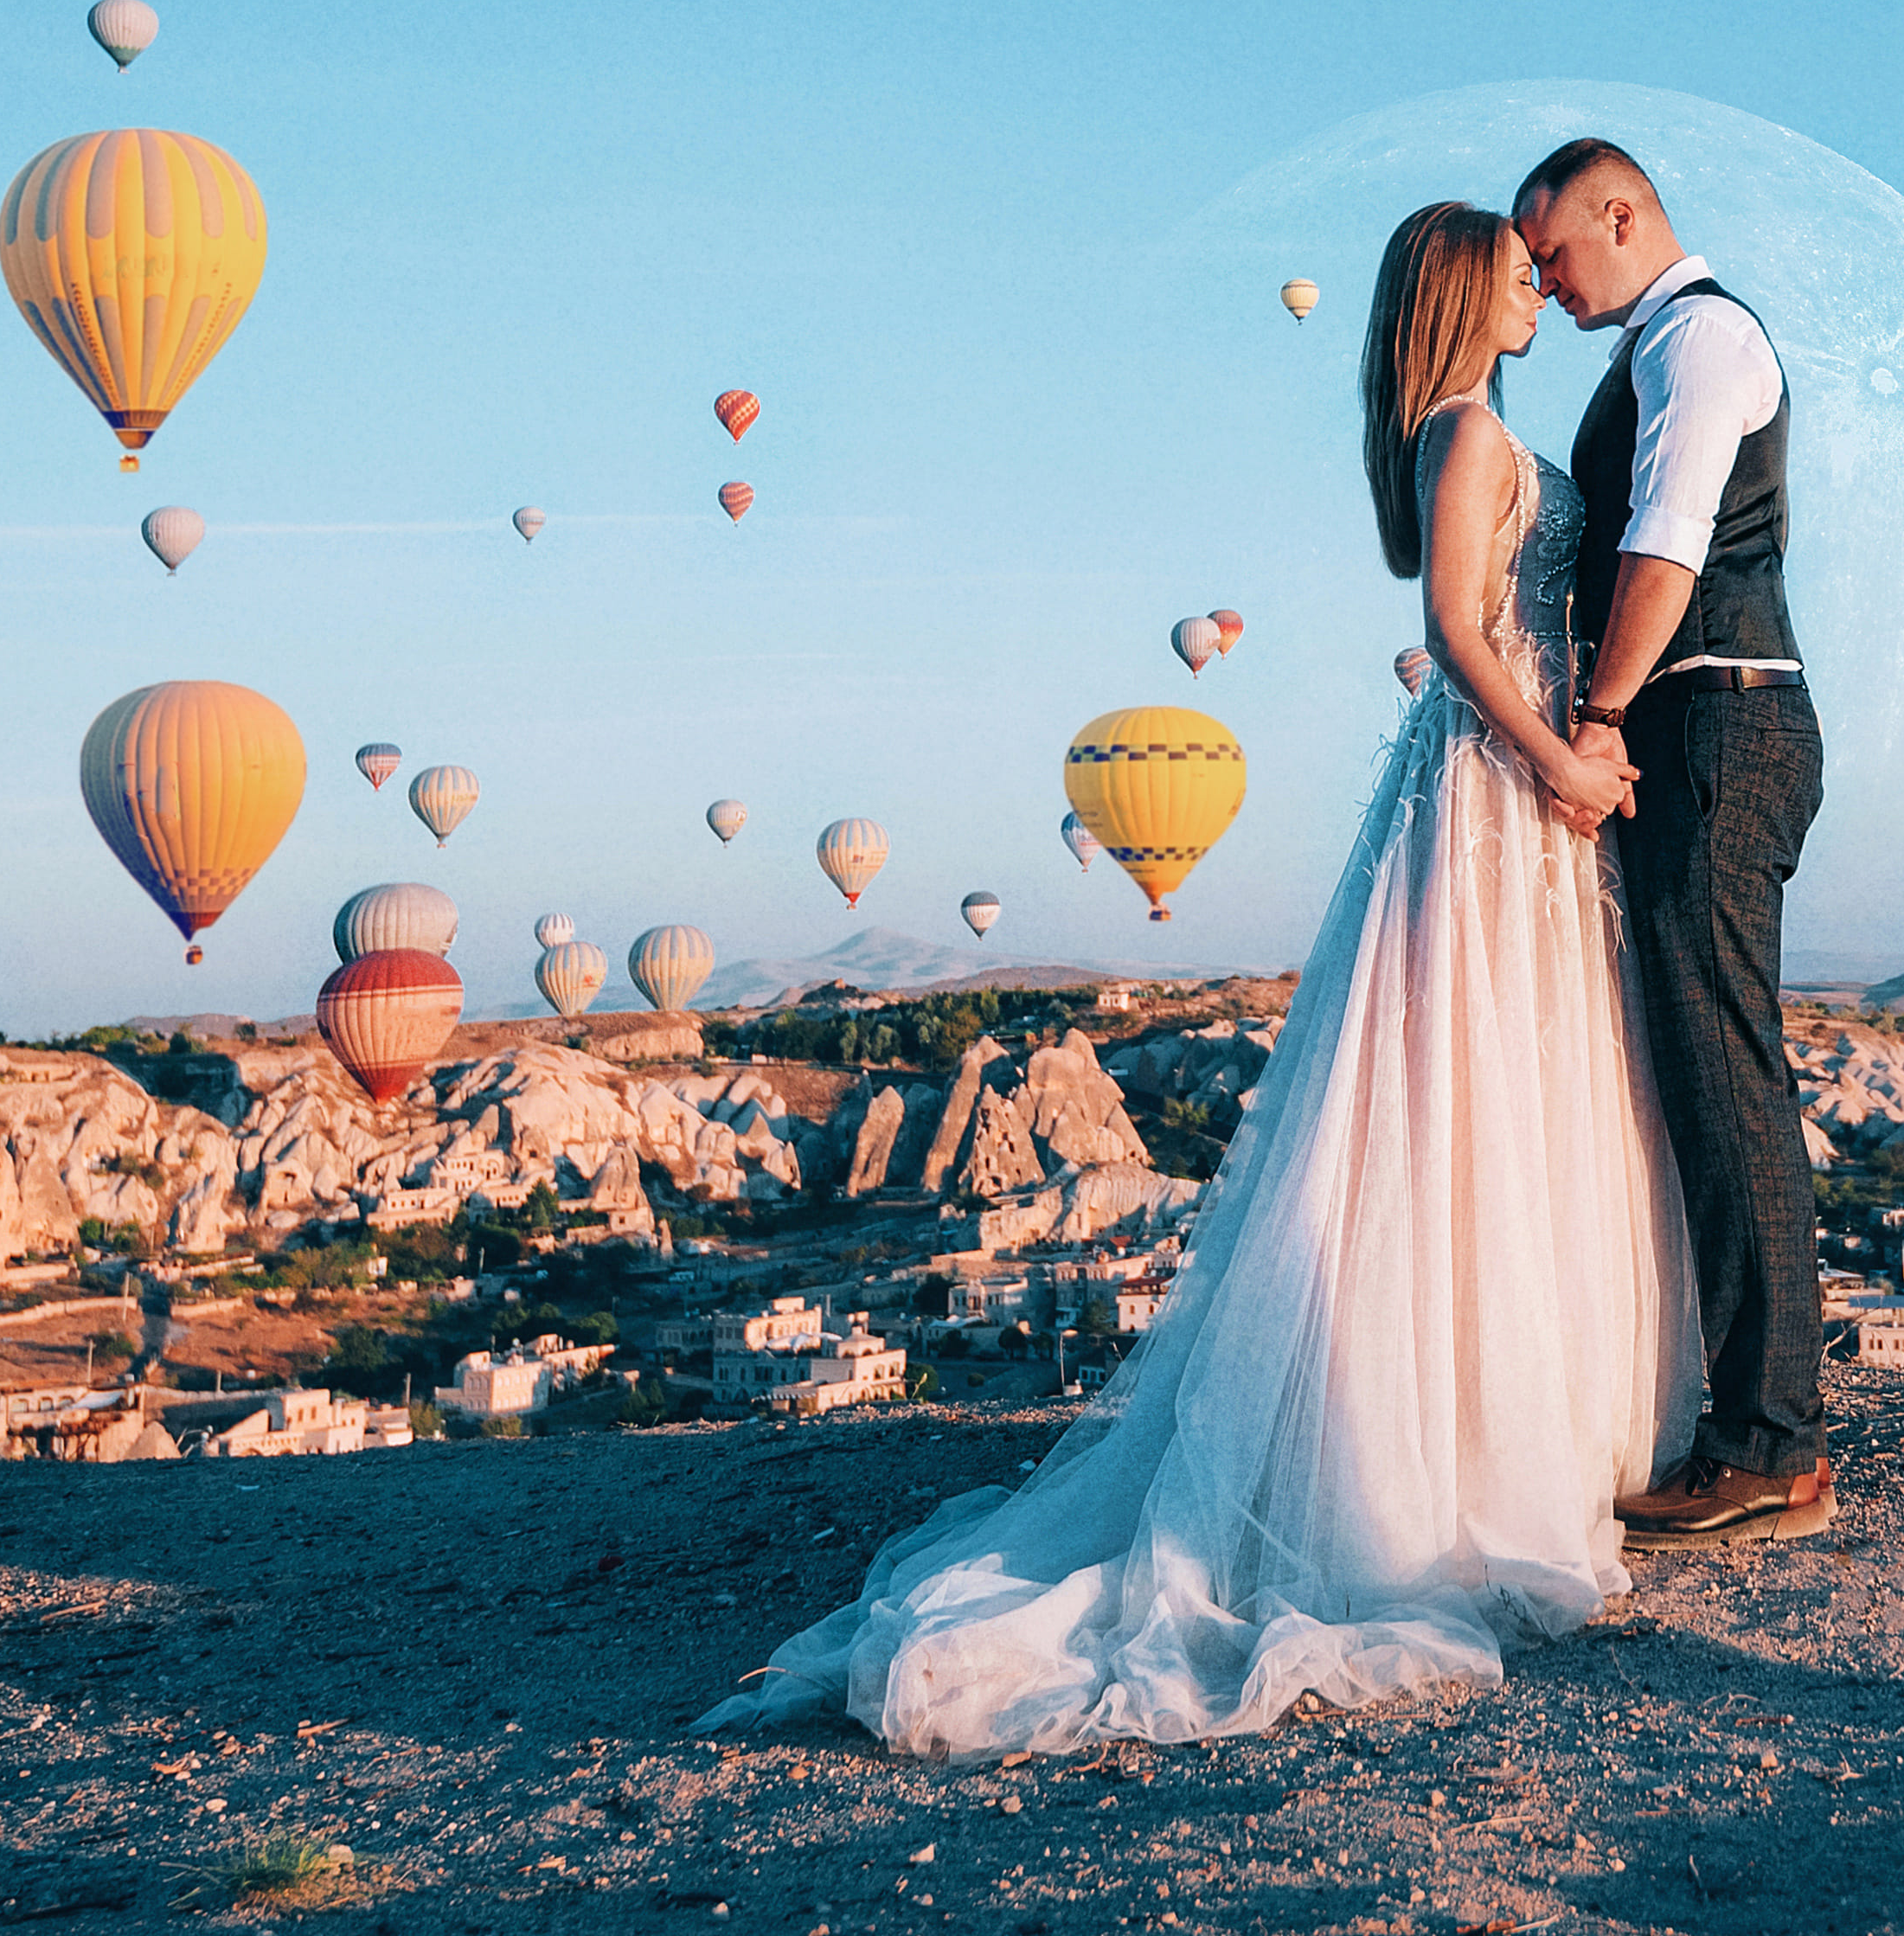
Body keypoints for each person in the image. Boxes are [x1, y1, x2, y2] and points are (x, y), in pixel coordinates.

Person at [703, 200, 1685, 1753]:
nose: (1537, 286)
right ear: (1458, 289)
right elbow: (1449, 626)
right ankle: (1433, 1473)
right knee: (1466, 1107)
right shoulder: (1468, 435)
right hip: (1504, 786)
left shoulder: (1472, 430)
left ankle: (1506, 1441)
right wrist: (1561, 748)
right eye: (1514, 270)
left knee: (1507, 1097)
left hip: (1516, 800)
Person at [1510, 135, 1832, 1548]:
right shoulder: (1663, 343)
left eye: (1555, 252)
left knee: (1724, 1073)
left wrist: (1598, 715)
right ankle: (1745, 1422)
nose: (1542, 280)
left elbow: (1668, 542)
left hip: (1712, 725)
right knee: (1695, 1069)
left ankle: (1769, 1445)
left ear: (1623, 212)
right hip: (1710, 724)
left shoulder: (1698, 341)